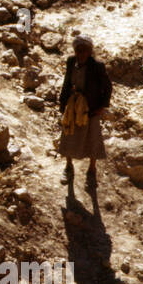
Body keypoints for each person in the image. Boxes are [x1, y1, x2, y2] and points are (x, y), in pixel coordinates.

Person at [58, 35, 112, 193]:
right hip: (73, 105)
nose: (81, 54)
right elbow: (66, 82)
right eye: (78, 50)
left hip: (90, 107)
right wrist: (63, 104)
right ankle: (68, 167)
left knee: (92, 138)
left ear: (89, 52)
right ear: (75, 51)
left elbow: (107, 87)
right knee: (68, 135)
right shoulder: (71, 62)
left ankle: (92, 171)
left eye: (84, 51)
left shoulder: (97, 66)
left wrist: (102, 106)